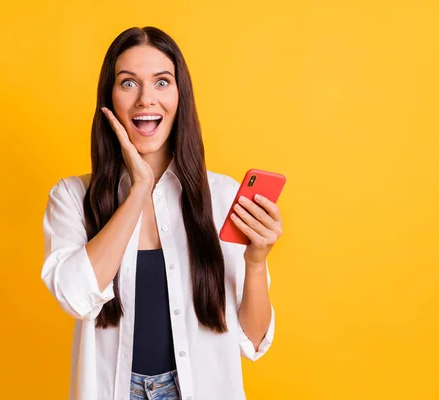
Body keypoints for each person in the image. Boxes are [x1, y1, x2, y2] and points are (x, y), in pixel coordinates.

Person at [41, 26, 283, 400]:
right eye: (128, 83)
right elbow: (73, 297)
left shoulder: (221, 197)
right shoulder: (72, 197)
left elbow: (251, 340)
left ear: (180, 96)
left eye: (161, 82)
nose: (145, 99)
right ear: (108, 99)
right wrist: (139, 189)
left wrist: (255, 261)